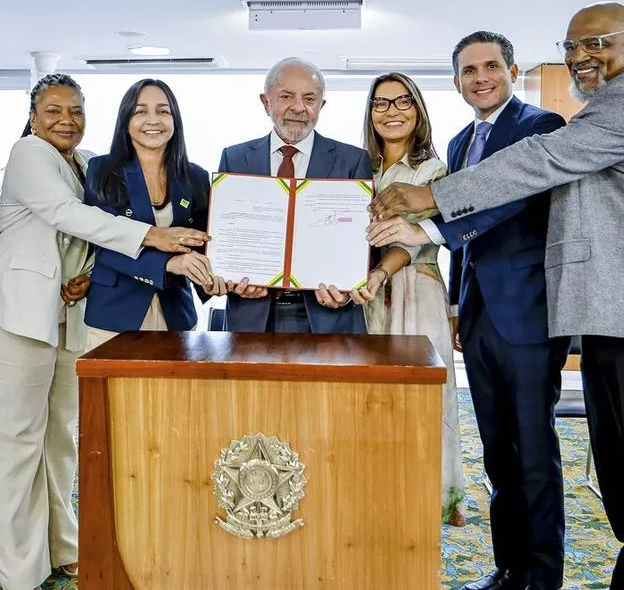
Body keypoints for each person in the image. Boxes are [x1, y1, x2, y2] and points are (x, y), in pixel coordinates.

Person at [370, 3, 624, 590]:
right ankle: (605, 574)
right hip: (613, 315)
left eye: (597, 45)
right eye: (572, 48)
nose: (581, 57)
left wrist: (429, 200)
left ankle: (588, 576)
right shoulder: (576, 113)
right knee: (621, 472)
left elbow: (539, 166)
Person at [0, 74, 208, 590]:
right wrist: (154, 236)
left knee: (60, 438)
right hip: (16, 309)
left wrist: (88, 273)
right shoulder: (29, 152)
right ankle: (18, 567)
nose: (65, 120)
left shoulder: (85, 162)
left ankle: (62, 544)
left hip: (65, 311)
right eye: (53, 110)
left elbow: (90, 235)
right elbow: (66, 215)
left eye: (75, 110)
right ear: (32, 115)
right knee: (19, 438)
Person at [370, 32, 570, 590]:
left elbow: (509, 201)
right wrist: (459, 308)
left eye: (490, 66)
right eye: (467, 70)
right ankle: (509, 569)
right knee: (498, 453)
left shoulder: (540, 127)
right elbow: (471, 246)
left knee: (533, 449)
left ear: (511, 68)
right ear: (456, 81)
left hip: (530, 315)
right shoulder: (459, 144)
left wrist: (425, 226)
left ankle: (542, 577)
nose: (480, 77)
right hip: (480, 316)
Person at [348, 72, 467, 526]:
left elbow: (417, 242)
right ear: (370, 111)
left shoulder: (434, 173)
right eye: (381, 102)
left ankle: (430, 494)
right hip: (364, 295)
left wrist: (380, 271)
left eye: (402, 102)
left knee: (420, 399)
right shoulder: (356, 168)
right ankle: (377, 489)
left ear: (418, 110)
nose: (391, 111)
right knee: (371, 398)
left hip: (416, 292)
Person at [217, 56, 374, 334]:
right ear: (266, 102)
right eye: (286, 96)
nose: (299, 107)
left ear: (321, 106)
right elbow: (226, 235)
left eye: (310, 99)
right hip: (253, 314)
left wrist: (350, 288)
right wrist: (227, 278)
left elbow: (364, 242)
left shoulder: (353, 160)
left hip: (328, 315)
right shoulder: (235, 158)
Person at [82, 78, 225, 341]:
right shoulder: (101, 170)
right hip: (114, 314)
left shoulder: (195, 177)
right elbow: (103, 246)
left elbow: (207, 242)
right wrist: (169, 263)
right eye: (140, 111)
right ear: (126, 120)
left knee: (176, 384)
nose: (153, 120)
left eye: (163, 111)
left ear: (175, 120)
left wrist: (215, 279)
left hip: (176, 314)